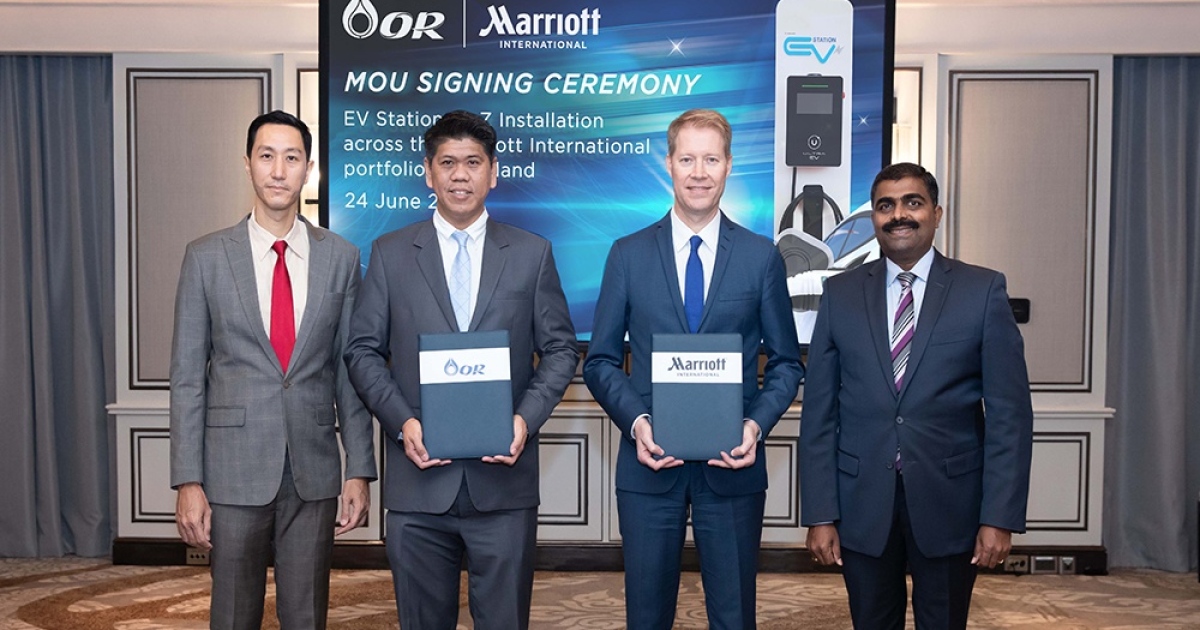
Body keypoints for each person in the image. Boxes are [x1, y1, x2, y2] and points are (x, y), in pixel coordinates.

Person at [343, 110, 579, 630]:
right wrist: (403, 422)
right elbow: (362, 351)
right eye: (448, 162)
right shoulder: (389, 254)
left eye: (473, 162)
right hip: (418, 485)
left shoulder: (532, 254)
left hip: (503, 487)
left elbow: (561, 350)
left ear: (493, 173)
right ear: (428, 173)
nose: (460, 175)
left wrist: (524, 420)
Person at [583, 108, 803, 629]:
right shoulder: (628, 255)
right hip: (648, 466)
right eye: (687, 159)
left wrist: (754, 426)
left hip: (733, 467)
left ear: (729, 166)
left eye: (711, 159)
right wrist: (637, 423)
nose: (699, 172)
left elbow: (787, 364)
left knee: (733, 616)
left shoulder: (760, 257)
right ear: (669, 165)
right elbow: (601, 361)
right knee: (646, 615)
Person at [799, 162, 1034, 629]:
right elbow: (820, 414)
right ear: (874, 218)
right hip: (862, 505)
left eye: (913, 203)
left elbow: (1009, 416)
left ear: (936, 213)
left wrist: (999, 517)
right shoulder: (840, 293)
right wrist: (820, 514)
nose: (898, 215)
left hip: (952, 504)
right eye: (885, 206)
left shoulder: (982, 290)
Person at [170, 110, 376, 630]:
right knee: (233, 615)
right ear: (247, 164)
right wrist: (188, 481)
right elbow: (188, 380)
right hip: (232, 472)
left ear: (309, 169)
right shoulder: (206, 258)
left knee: (306, 614)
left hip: (314, 471)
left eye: (292, 157)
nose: (279, 170)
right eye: (267, 156)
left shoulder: (342, 258)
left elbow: (348, 373)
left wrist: (358, 469)